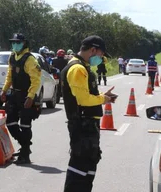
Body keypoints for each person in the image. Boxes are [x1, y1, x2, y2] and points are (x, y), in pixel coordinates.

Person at [61, 35, 117, 192]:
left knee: (89, 164)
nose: (101, 59)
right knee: (80, 168)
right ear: (93, 50)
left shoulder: (82, 67)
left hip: (87, 125)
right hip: (82, 125)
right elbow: (83, 100)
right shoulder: (77, 68)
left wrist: (102, 95)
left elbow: (84, 94)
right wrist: (103, 99)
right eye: (101, 55)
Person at [0, 33, 42, 164]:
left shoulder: (30, 60)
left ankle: (25, 154)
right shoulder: (12, 57)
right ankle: (25, 146)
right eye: (13, 42)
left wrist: (30, 97)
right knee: (10, 122)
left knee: (25, 125)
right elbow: (9, 76)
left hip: (26, 96)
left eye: (18, 42)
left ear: (24, 43)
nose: (15, 45)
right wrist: (4, 90)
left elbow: (36, 81)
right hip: (14, 95)